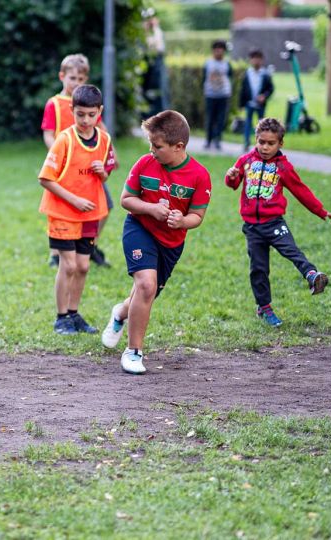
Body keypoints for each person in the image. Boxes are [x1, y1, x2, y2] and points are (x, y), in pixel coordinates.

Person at [101, 110, 211, 374]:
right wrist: (150, 209)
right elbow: (127, 199)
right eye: (150, 144)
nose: (151, 150)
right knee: (146, 285)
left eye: (157, 146)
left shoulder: (199, 175)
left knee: (146, 294)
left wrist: (182, 221)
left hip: (171, 244)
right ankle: (134, 353)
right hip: (139, 228)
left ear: (179, 146)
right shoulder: (144, 164)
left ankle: (120, 313)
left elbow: (197, 216)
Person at [225, 117, 331, 327]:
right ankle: (264, 308)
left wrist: (320, 211)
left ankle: (312, 276)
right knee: (259, 268)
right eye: (261, 141)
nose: (265, 147)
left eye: (270, 143)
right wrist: (230, 176)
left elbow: (301, 190)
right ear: (256, 139)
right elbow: (234, 184)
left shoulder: (283, 167)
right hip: (253, 228)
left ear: (280, 143)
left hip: (274, 223)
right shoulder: (246, 161)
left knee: (292, 250)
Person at [37, 85, 116, 335]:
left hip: (90, 213)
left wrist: (102, 173)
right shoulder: (65, 140)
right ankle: (61, 318)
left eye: (91, 114)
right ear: (72, 110)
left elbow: (104, 176)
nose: (85, 120)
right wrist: (74, 200)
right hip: (63, 212)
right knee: (68, 265)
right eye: (80, 114)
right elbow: (45, 179)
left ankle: (74, 314)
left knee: (83, 266)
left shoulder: (104, 140)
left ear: (99, 112)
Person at [41, 54, 117, 269]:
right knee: (60, 207)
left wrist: (112, 154)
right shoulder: (54, 104)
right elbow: (48, 133)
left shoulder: (89, 104)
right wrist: (58, 153)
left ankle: (90, 245)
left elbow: (102, 131)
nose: (76, 83)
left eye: (81, 79)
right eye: (72, 78)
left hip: (90, 170)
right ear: (62, 77)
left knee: (104, 206)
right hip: (64, 168)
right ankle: (56, 253)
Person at [240, 49, 275, 148]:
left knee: (261, 125)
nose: (256, 61)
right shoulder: (247, 74)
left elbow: (271, 88)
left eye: (258, 59)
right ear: (250, 60)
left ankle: (260, 143)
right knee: (248, 123)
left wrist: (264, 96)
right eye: (254, 59)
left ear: (262, 60)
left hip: (261, 104)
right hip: (249, 103)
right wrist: (241, 104)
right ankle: (246, 142)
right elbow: (243, 90)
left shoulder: (265, 74)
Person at [202, 40, 233, 150]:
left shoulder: (227, 64)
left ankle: (218, 140)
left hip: (223, 95)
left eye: (221, 49)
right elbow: (203, 78)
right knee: (210, 118)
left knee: (221, 119)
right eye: (216, 49)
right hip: (210, 94)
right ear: (213, 51)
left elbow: (230, 77)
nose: (219, 51)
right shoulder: (208, 63)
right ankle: (208, 140)